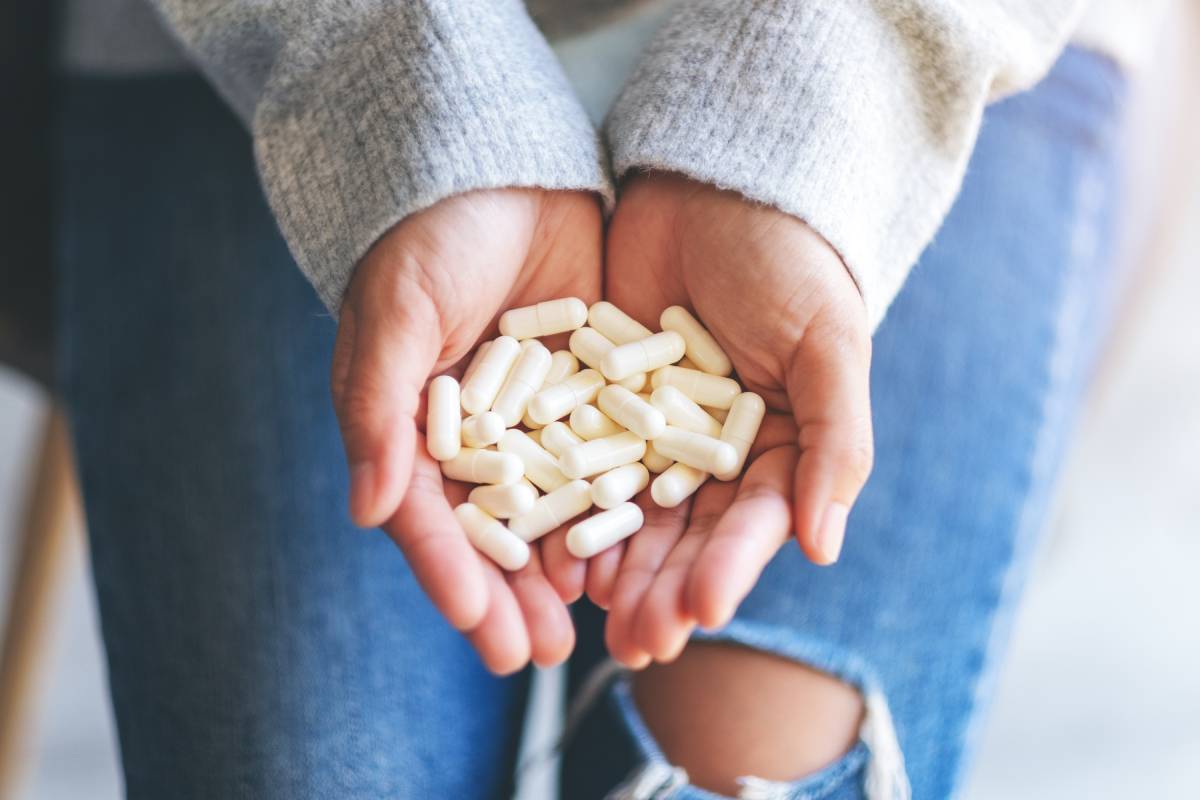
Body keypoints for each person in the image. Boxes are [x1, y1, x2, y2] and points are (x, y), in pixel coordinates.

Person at [54, 0, 1161, 797]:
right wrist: (406, 95)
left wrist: (797, 131)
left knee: (746, 774)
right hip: (286, 49)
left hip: (895, 60)